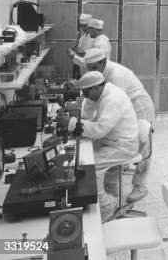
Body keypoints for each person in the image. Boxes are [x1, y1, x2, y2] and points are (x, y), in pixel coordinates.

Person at [56, 71, 139, 221]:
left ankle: (108, 207)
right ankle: (110, 195)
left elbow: (100, 130)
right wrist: (73, 118)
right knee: (85, 159)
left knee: (89, 168)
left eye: (86, 92)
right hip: (112, 141)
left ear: (95, 88)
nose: (85, 96)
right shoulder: (100, 93)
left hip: (123, 146)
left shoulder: (113, 98)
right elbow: (88, 112)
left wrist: (71, 123)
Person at [84, 48, 156, 202]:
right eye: (88, 69)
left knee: (144, 147)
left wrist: (90, 125)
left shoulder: (116, 75)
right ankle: (111, 185)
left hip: (140, 106)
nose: (91, 71)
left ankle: (140, 186)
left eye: (94, 68)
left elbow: (110, 105)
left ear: (103, 62)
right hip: (126, 108)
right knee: (114, 145)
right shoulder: (100, 73)